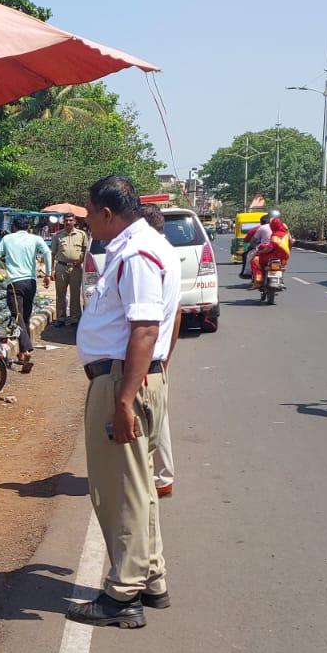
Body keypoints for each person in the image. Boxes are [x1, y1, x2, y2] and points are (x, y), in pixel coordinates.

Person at [67, 176, 180, 629]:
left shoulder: (136, 255)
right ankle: (151, 578)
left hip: (121, 382)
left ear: (108, 213)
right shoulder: (150, 246)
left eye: (90, 213)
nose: (88, 221)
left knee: (120, 492)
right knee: (139, 487)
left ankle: (123, 593)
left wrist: (125, 400)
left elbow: (146, 329)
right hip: (132, 378)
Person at [140, 203, 180, 498]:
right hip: (158, 355)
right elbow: (177, 312)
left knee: (143, 421)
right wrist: (168, 354)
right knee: (159, 417)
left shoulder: (149, 256)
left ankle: (151, 478)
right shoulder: (169, 252)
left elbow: (146, 323)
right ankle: (163, 476)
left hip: (146, 356)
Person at [0, 218, 52, 372]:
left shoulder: (7, 238)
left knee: (17, 317)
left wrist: (6, 264)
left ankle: (27, 350)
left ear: (14, 227)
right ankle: (21, 354)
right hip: (31, 283)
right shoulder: (36, 239)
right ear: (28, 227)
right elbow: (47, 252)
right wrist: (48, 274)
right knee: (25, 318)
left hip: (15, 283)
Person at [51, 217, 91, 327]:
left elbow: (85, 250)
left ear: (75, 222)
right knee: (60, 294)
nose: (68, 222)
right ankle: (61, 318)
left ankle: (75, 319)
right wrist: (52, 270)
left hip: (76, 268)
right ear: (63, 222)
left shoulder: (81, 234)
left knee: (75, 294)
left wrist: (81, 260)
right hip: (61, 267)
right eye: (66, 221)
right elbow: (53, 253)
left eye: (70, 220)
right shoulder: (57, 235)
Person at [249, 216, 292, 288]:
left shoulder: (276, 235)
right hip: (284, 258)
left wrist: (261, 252)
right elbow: (291, 242)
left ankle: (259, 280)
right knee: (281, 267)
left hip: (273, 256)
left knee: (255, 261)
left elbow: (270, 248)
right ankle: (280, 280)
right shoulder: (286, 233)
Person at [240, 213, 271, 280]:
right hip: (275, 249)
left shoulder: (257, 229)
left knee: (246, 256)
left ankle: (246, 273)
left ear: (260, 222)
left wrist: (252, 246)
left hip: (261, 248)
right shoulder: (276, 228)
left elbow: (248, 240)